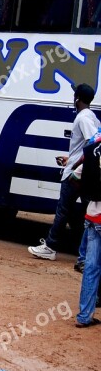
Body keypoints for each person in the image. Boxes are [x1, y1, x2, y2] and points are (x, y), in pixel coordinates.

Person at [29, 83, 100, 261]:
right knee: (85, 215)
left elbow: (93, 145)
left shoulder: (82, 119)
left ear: (77, 99)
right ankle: (86, 256)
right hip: (83, 172)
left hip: (75, 174)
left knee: (63, 210)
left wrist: (75, 165)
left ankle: (51, 247)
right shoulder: (92, 117)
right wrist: (72, 159)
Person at [76, 137, 101, 327]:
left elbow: (76, 176)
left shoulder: (93, 147)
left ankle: (84, 316)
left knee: (91, 268)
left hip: (92, 215)